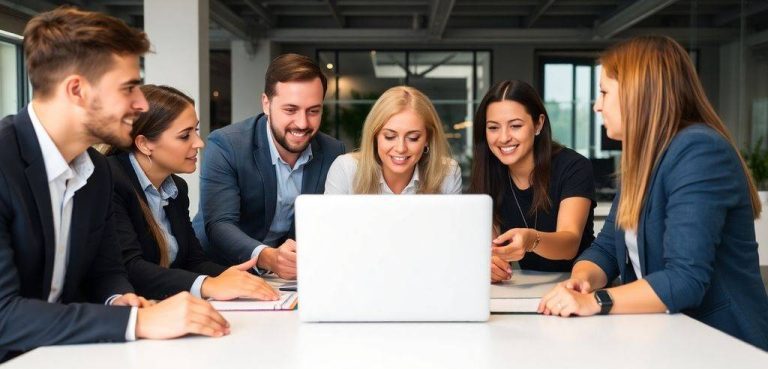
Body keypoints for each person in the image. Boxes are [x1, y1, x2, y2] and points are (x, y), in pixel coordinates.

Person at [0, 7, 229, 361]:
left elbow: (106, 272)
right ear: (76, 90)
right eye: (128, 88)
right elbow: (4, 316)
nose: (140, 104)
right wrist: (138, 321)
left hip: (60, 358)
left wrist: (120, 299)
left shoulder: (97, 171)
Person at [538, 35, 768, 351]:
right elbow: (606, 250)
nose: (597, 105)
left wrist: (596, 301)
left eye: (604, 92)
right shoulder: (643, 159)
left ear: (638, 94)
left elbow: (685, 280)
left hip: (724, 347)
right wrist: (582, 280)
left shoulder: (699, 150)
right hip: (671, 340)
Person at [106, 85, 280, 301]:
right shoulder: (110, 181)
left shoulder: (177, 188)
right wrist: (208, 284)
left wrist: (238, 278)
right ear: (144, 144)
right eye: (184, 136)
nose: (199, 142)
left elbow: (194, 262)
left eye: (195, 131)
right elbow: (130, 269)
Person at [192, 54, 346, 280]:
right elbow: (219, 225)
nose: (302, 123)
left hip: (288, 277)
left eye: (313, 111)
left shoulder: (333, 152)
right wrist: (268, 257)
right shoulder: (227, 145)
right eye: (290, 110)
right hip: (221, 270)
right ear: (266, 103)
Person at [468, 80, 596, 282]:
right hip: (530, 285)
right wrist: (492, 266)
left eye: (515, 126)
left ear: (538, 124)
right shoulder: (489, 173)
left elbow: (570, 243)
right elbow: (492, 249)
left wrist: (531, 240)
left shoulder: (573, 166)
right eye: (493, 127)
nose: (503, 138)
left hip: (582, 281)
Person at [324, 86, 461, 195]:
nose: (401, 148)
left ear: (428, 139)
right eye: (389, 136)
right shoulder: (346, 169)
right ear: (375, 136)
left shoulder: (448, 173)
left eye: (413, 138)